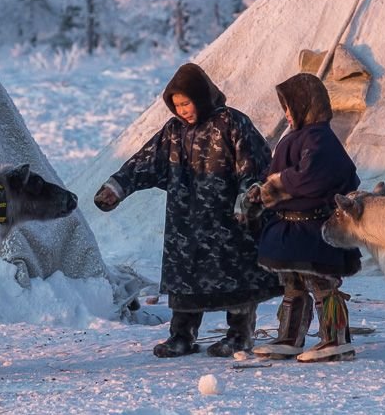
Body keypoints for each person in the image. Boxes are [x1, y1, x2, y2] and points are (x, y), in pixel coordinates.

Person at [93, 63, 280, 357]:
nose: (182, 110)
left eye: (186, 103)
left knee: (236, 278)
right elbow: (146, 161)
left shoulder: (232, 123)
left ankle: (240, 335)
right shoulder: (174, 132)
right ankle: (181, 336)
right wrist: (117, 187)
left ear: (201, 97)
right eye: (176, 105)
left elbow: (253, 164)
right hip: (186, 223)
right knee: (185, 280)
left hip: (229, 223)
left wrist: (247, 199)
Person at [250, 72, 362, 362]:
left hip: (314, 229)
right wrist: (259, 188)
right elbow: (276, 171)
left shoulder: (320, 139)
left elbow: (313, 174)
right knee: (293, 284)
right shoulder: (297, 137)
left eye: (289, 107)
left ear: (306, 105)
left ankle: (335, 339)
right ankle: (290, 336)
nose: (286, 114)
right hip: (290, 228)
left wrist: (276, 186)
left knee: (322, 284)